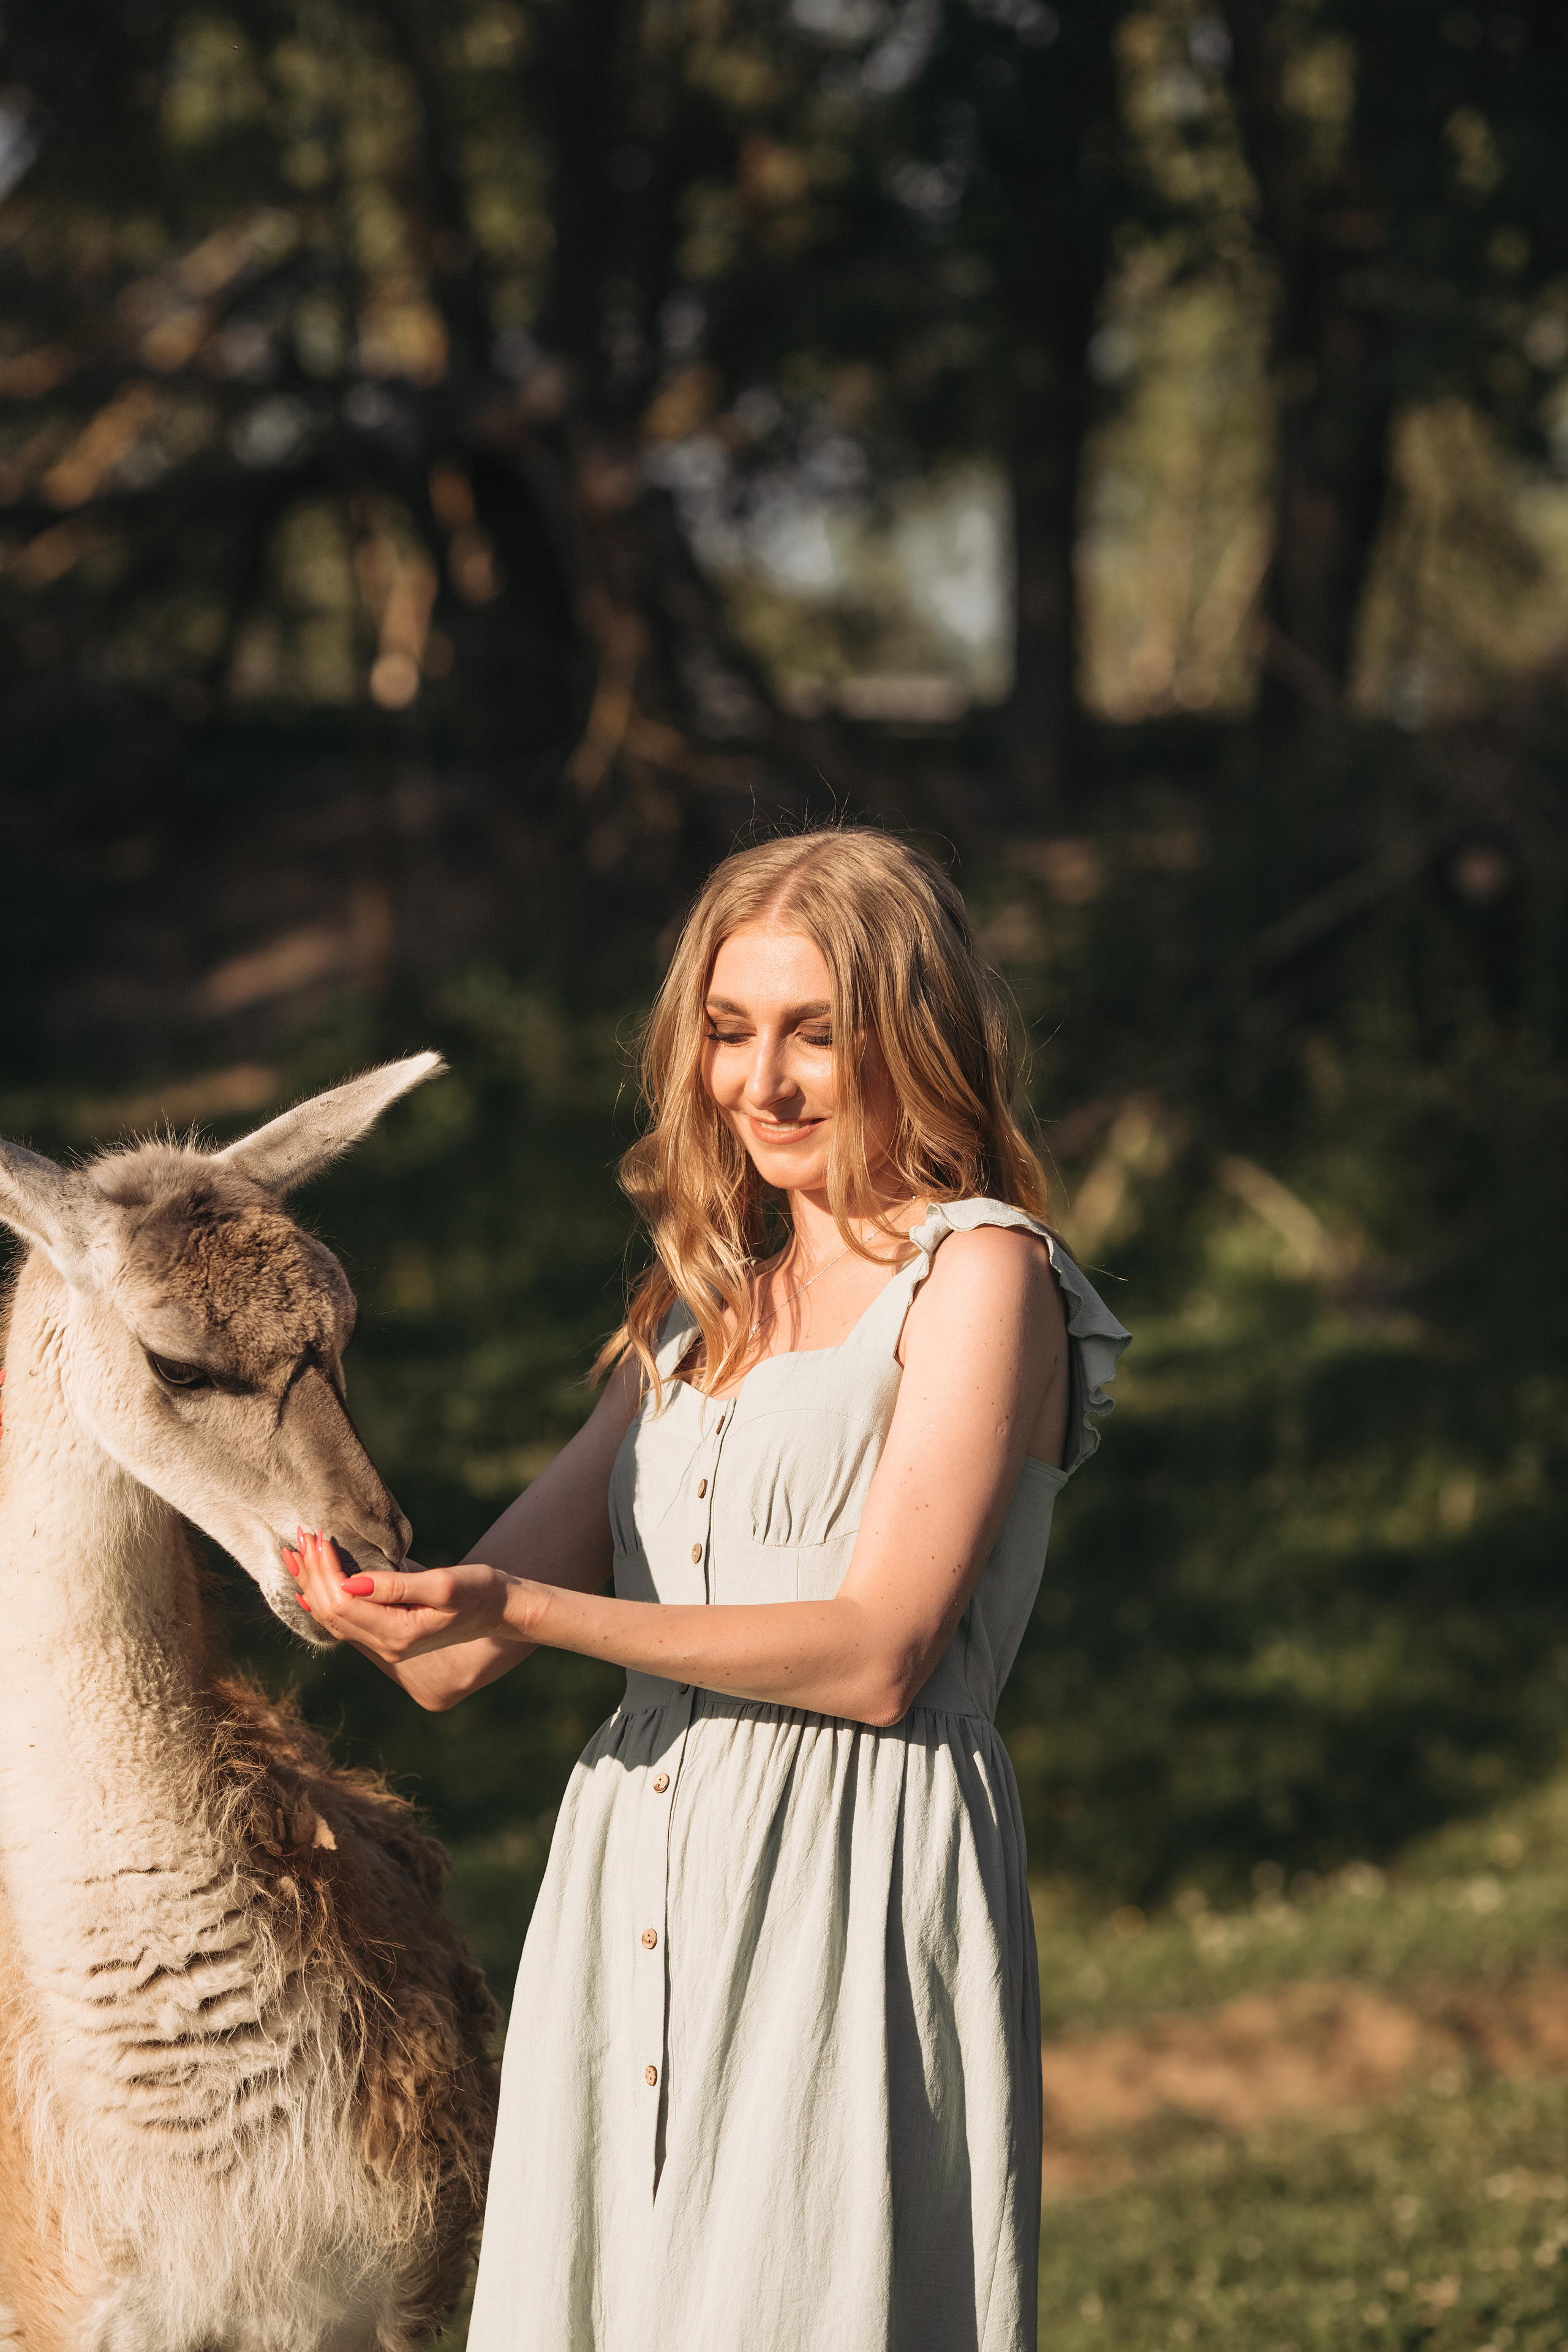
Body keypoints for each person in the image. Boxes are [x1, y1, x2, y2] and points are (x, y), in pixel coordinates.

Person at [289, 827, 1130, 2352]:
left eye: (816, 1034)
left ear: (912, 1039)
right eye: (730, 1035)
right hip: (634, 1875)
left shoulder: (979, 1276)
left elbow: (881, 1653)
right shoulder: (697, 1301)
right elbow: (450, 1663)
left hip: (849, 1869)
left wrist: (531, 1616)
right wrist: (339, 1576)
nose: (764, 1082)